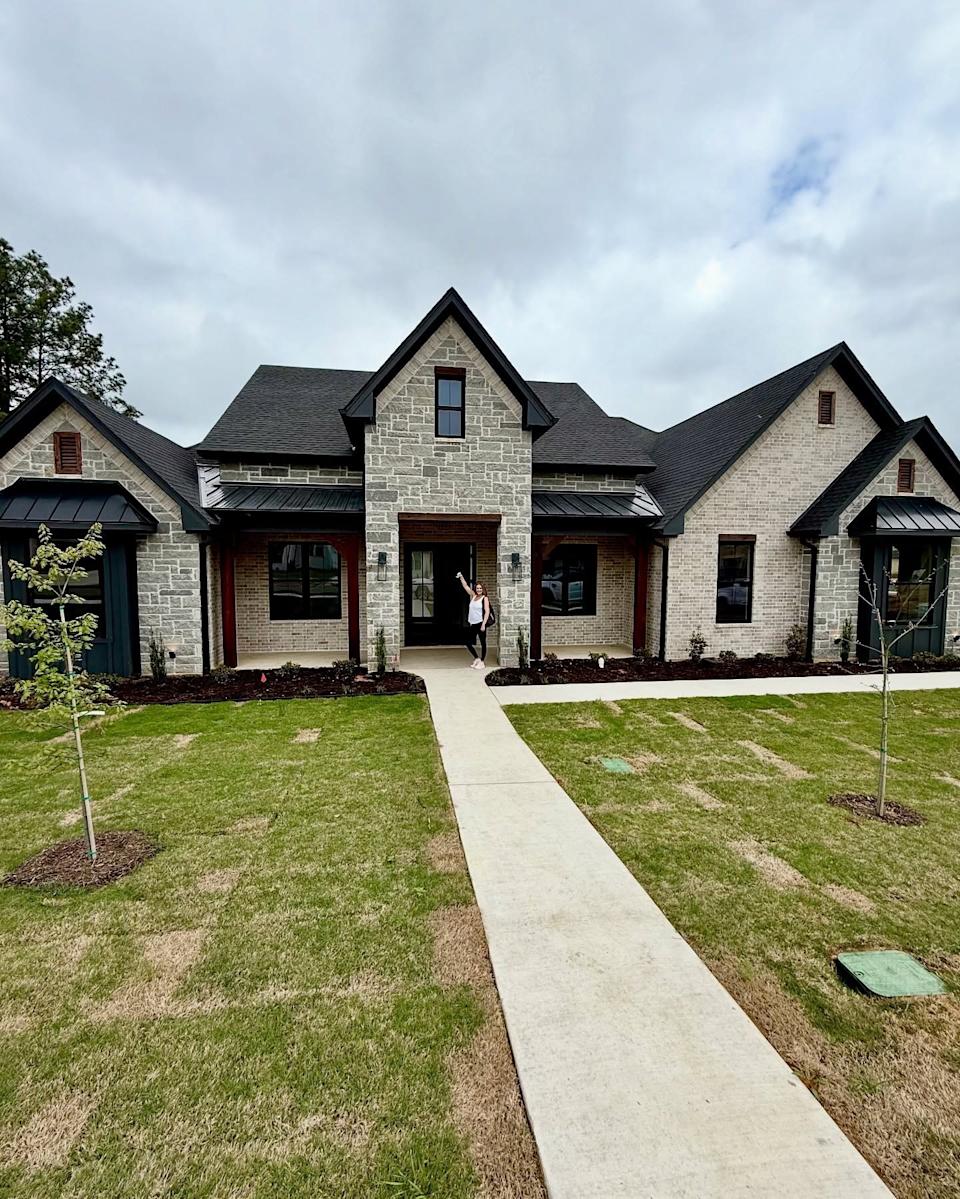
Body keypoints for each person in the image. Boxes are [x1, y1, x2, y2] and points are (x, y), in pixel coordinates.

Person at [456, 572, 490, 669]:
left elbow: (487, 612)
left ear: (482, 589)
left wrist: (483, 624)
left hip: (480, 623)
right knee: (467, 642)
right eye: (477, 588)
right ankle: (477, 658)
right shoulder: (473, 596)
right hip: (473, 623)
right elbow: (465, 586)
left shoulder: (485, 598)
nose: (478, 590)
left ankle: (482, 662)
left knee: (483, 642)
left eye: (480, 588)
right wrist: (461, 577)